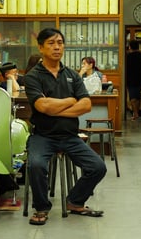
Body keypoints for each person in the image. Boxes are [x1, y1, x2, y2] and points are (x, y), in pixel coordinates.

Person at [23, 27, 107, 226]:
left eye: (60, 43)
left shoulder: (72, 75)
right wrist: (71, 100)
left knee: (98, 167)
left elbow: (86, 104)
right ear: (41, 47)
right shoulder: (33, 76)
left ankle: (75, 201)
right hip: (42, 136)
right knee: (36, 165)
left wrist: (55, 109)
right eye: (51, 43)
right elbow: (41, 105)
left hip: (69, 135)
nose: (57, 47)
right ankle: (41, 208)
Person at [125, 40, 141, 120]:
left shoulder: (127, 56)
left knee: (132, 97)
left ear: (130, 47)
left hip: (130, 78)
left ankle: (135, 113)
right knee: (138, 96)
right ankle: (136, 112)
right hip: (140, 78)